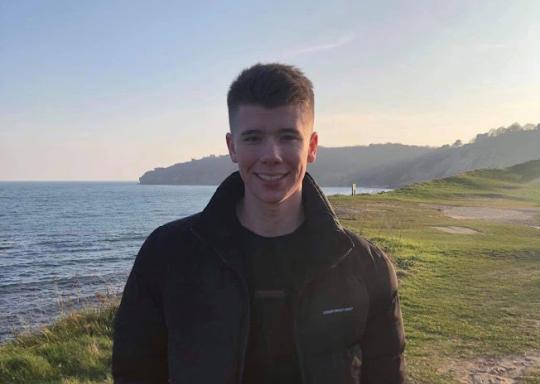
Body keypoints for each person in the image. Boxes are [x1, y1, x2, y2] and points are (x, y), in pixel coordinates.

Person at [112, 63, 406, 384]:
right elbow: (135, 373)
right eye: (253, 138)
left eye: (288, 137)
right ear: (231, 147)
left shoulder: (367, 268)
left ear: (312, 147)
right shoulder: (167, 256)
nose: (272, 155)